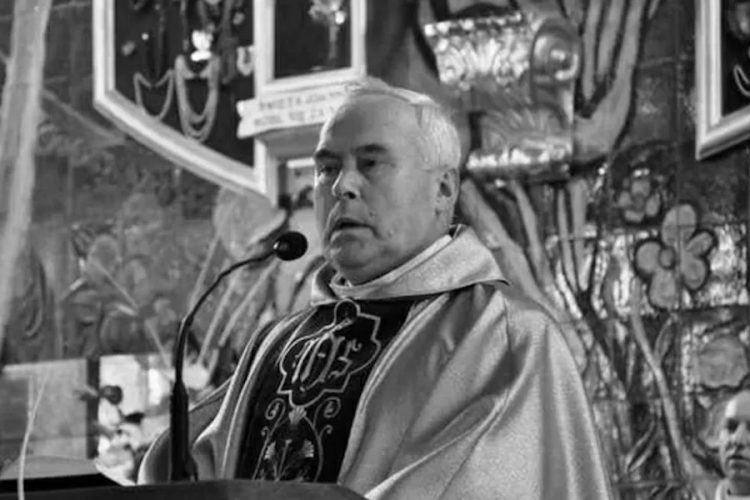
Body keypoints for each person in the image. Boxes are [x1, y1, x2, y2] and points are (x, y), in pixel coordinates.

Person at [138, 78, 613, 498]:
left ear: (444, 189)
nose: (341, 186)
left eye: (371, 164)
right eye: (327, 169)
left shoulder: (503, 335)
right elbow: (190, 471)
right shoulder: (278, 343)